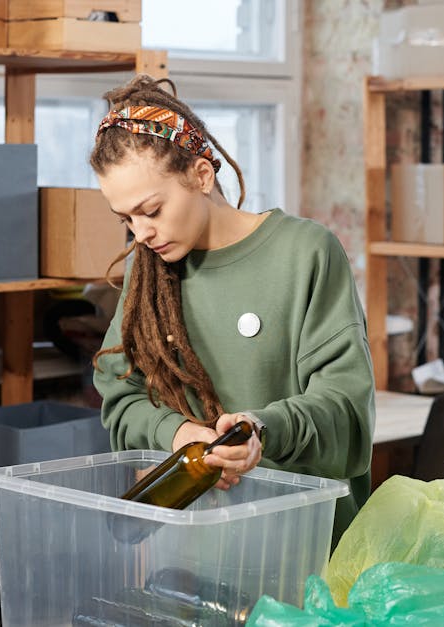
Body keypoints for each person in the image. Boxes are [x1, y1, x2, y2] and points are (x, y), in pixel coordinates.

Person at [91, 75, 375, 539]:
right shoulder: (150, 274)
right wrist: (178, 434)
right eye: (127, 219)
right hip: (192, 556)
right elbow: (121, 398)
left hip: (304, 550)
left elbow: (345, 410)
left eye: (152, 210)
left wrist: (262, 430)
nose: (140, 233)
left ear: (202, 175)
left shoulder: (305, 253)